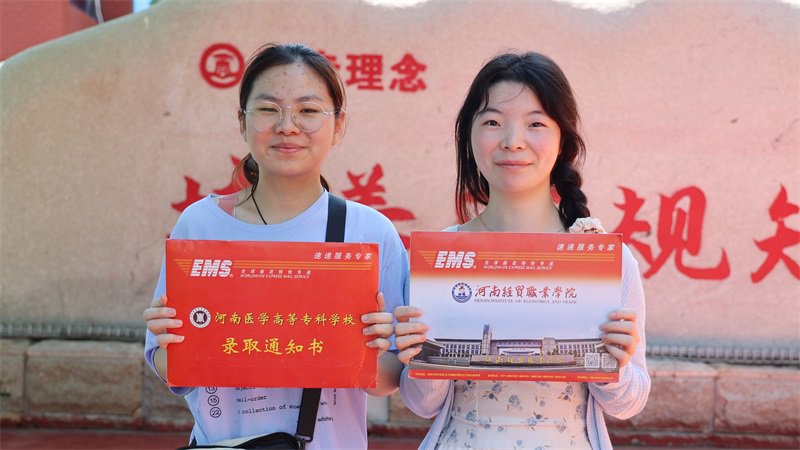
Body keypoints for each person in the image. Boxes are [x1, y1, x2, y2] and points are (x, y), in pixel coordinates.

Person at [143, 43, 407, 449]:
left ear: (338, 125)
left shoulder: (368, 232)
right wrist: (171, 345)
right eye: (268, 109)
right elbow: (171, 371)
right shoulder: (200, 225)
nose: (287, 126)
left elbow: (391, 378)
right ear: (242, 121)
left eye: (308, 110)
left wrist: (367, 352)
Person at [393, 51, 650, 449]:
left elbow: (629, 403)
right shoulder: (440, 259)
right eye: (493, 122)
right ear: (469, 137)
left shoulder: (602, 260)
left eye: (535, 124)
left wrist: (615, 361)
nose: (512, 141)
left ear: (562, 140)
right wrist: (420, 356)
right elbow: (422, 404)